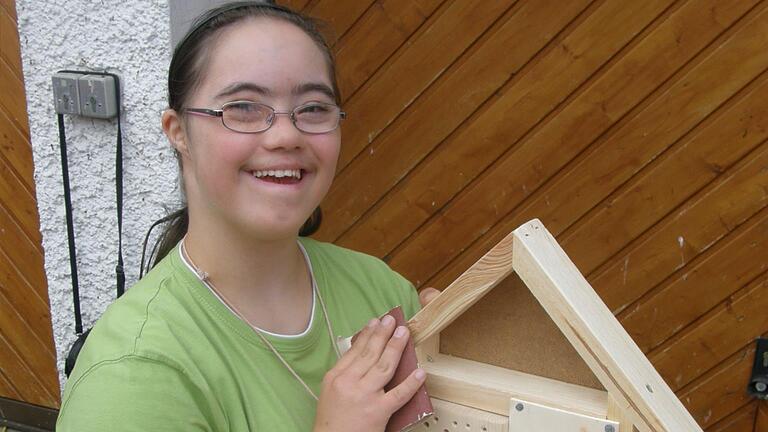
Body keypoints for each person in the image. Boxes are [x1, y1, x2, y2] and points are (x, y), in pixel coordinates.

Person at [55, 2, 439, 431]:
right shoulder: (131, 376)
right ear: (178, 132)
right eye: (243, 107)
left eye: (313, 108)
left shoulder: (379, 291)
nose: (286, 135)